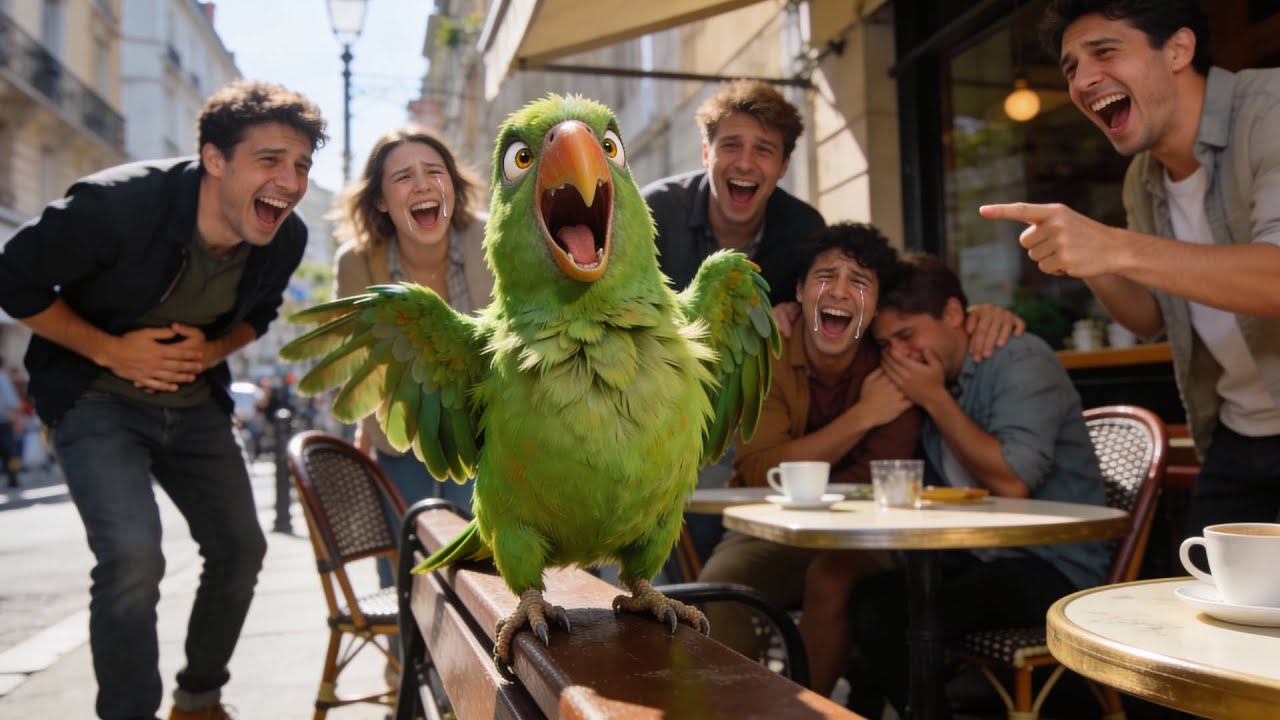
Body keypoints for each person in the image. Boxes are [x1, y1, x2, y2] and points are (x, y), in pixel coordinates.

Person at [0, 80, 326, 720]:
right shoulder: (115, 205)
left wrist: (212, 351)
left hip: (195, 404)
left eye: (302, 165)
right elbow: (13, 278)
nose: (290, 182)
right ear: (214, 158)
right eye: (270, 159)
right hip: (94, 398)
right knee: (132, 558)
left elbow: (259, 316)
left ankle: (198, 701)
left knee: (241, 548)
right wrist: (110, 350)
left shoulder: (284, 237)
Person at [981, 0, 1280, 538]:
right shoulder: (1142, 178)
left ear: (1179, 50)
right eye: (1071, 67)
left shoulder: (1270, 111)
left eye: (1104, 52)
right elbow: (1149, 319)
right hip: (1237, 432)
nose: (1083, 81)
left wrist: (1114, 247)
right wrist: (1087, 258)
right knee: (1205, 590)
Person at [695, 225, 1022, 678]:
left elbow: (881, 478)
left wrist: (983, 314)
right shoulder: (769, 351)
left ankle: (803, 708)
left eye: (860, 281)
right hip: (773, 528)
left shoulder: (893, 357)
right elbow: (760, 469)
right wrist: (863, 416)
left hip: (867, 533)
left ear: (876, 306)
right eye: (825, 276)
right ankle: (735, 704)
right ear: (799, 292)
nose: (840, 291)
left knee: (833, 579)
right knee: (721, 588)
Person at [839, 252, 1109, 717]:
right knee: (870, 602)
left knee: (910, 615)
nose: (898, 355)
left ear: (952, 314)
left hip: (1054, 564)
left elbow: (1014, 482)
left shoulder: (1019, 360)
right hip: (979, 554)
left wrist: (935, 400)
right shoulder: (932, 371)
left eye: (907, 335)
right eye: (887, 344)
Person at [642, 80, 826, 569]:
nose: (745, 163)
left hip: (745, 419)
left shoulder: (805, 230)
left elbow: (828, 317)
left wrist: (797, 313)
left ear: (783, 166)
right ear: (706, 152)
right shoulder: (653, 213)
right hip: (650, 413)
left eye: (763, 149)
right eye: (730, 145)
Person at [331, 125, 494, 590]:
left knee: (482, 561)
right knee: (404, 560)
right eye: (403, 177)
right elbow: (355, 359)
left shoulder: (490, 237)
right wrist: (366, 424)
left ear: (452, 187)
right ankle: (403, 638)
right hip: (400, 427)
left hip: (484, 429)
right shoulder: (357, 261)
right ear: (381, 201)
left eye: (434, 172)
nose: (422, 184)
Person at [0, 355, 21, 488]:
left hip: (4, 417)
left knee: (4, 450)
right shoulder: (3, 378)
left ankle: (10, 474)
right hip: (4, 418)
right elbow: (11, 399)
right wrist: (16, 416)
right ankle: (13, 476)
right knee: (9, 449)